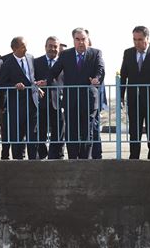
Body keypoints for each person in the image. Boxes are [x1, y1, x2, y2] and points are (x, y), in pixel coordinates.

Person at [42, 27, 105, 159]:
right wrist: (46, 81)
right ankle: (72, 161)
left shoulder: (96, 53)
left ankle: (85, 161)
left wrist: (96, 79)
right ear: (73, 40)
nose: (81, 42)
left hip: (89, 100)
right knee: (71, 132)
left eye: (83, 39)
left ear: (88, 39)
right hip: (71, 101)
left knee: (87, 132)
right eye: (77, 39)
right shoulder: (65, 55)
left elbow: (100, 70)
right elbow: (54, 71)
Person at [119, 26, 150, 160]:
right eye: (134, 39)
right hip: (134, 99)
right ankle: (134, 158)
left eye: (140, 39)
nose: (137, 42)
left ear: (147, 38)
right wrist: (121, 96)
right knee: (134, 130)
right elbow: (123, 75)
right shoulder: (128, 53)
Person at [0, 36, 42, 159]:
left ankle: (34, 160)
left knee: (33, 134)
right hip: (16, 105)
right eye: (23, 47)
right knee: (17, 135)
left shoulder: (30, 58)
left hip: (32, 103)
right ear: (14, 48)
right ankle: (18, 161)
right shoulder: (7, 64)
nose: (26, 49)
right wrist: (14, 85)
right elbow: (2, 83)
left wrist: (37, 87)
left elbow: (32, 78)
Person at [34, 37, 62, 159]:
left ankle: (54, 155)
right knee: (40, 130)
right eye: (50, 46)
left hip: (58, 102)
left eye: (55, 46)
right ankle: (42, 154)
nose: (52, 49)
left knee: (58, 130)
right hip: (41, 102)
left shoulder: (63, 62)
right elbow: (32, 79)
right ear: (45, 47)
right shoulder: (36, 62)